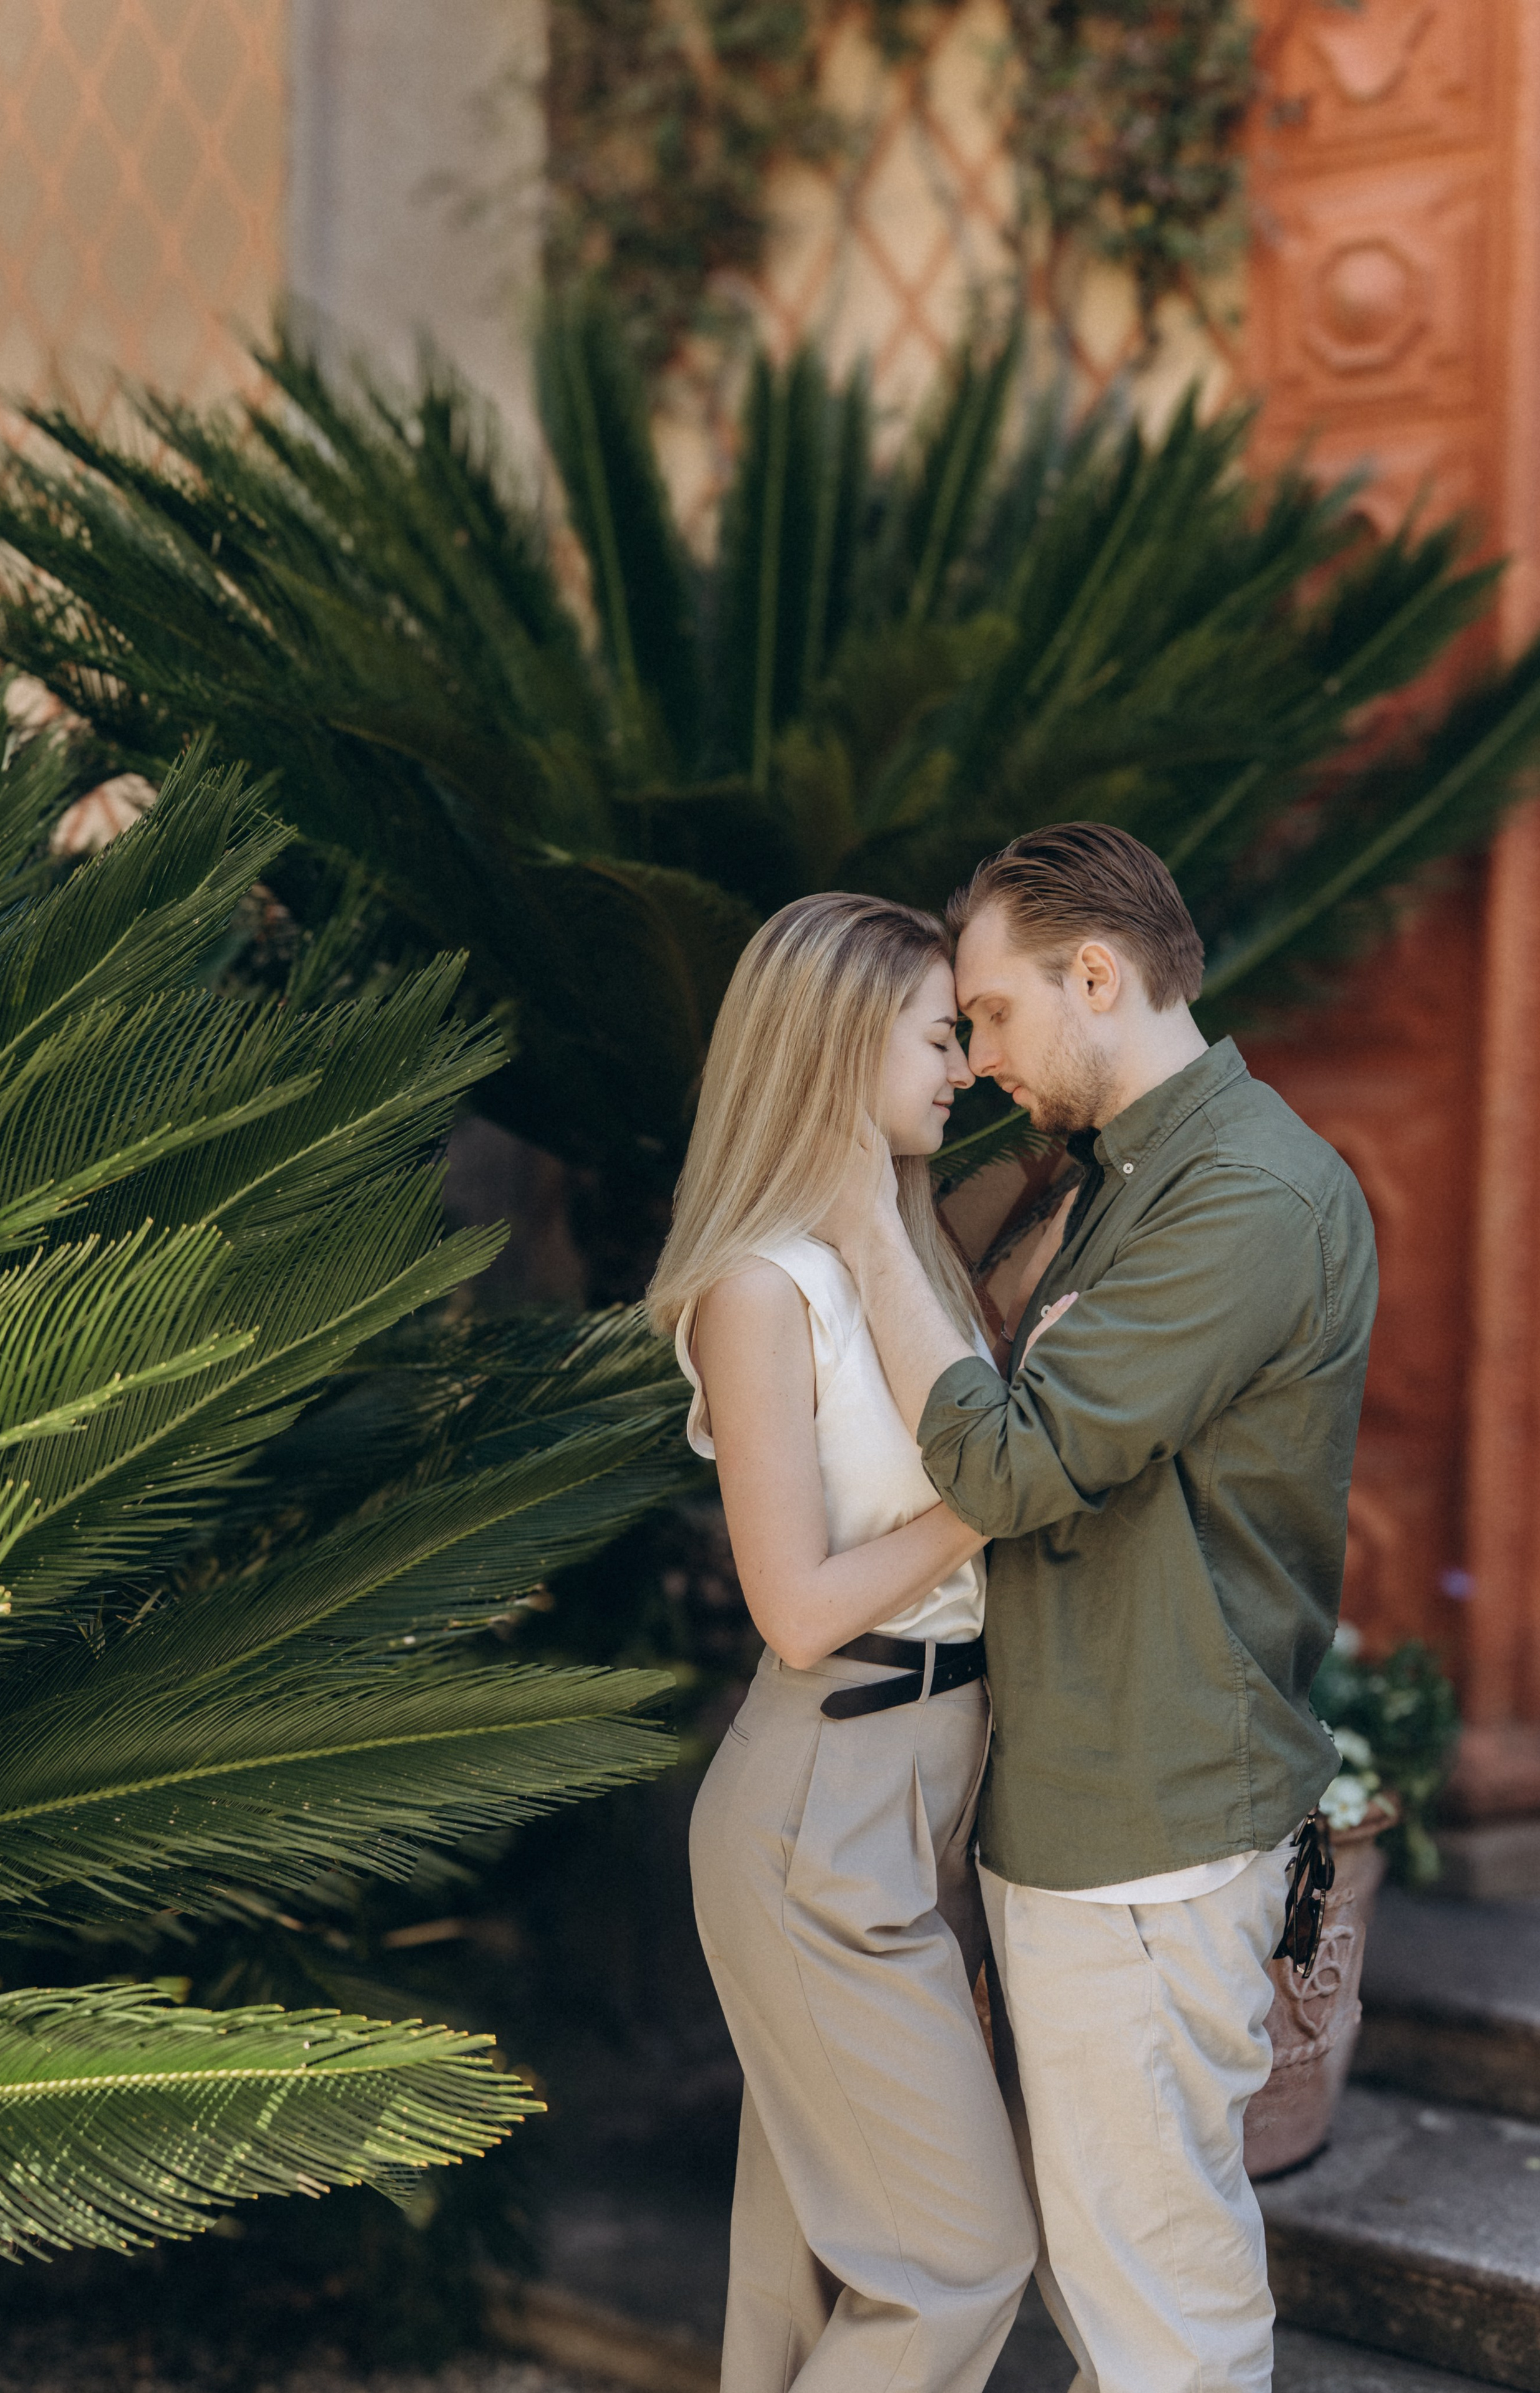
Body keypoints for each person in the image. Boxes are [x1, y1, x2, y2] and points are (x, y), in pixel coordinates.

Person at [829, 823, 1379, 2393]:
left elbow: (1008, 1465)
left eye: (990, 1013)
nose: (979, 1057)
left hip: (1147, 1842)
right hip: (1103, 1820)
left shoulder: (1247, 1197)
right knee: (1122, 2289)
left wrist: (869, 1214)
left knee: (1157, 2323)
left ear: (1094, 974)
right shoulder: (1129, 1175)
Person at [646, 892, 1043, 2393]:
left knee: (801, 2268)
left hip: (921, 1789)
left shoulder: (902, 1244)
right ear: (835, 1041)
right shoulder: (760, 1286)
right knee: (958, 2260)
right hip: (822, 1800)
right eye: (938, 1034)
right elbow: (797, 1606)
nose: (962, 1065)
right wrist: (993, 1500)